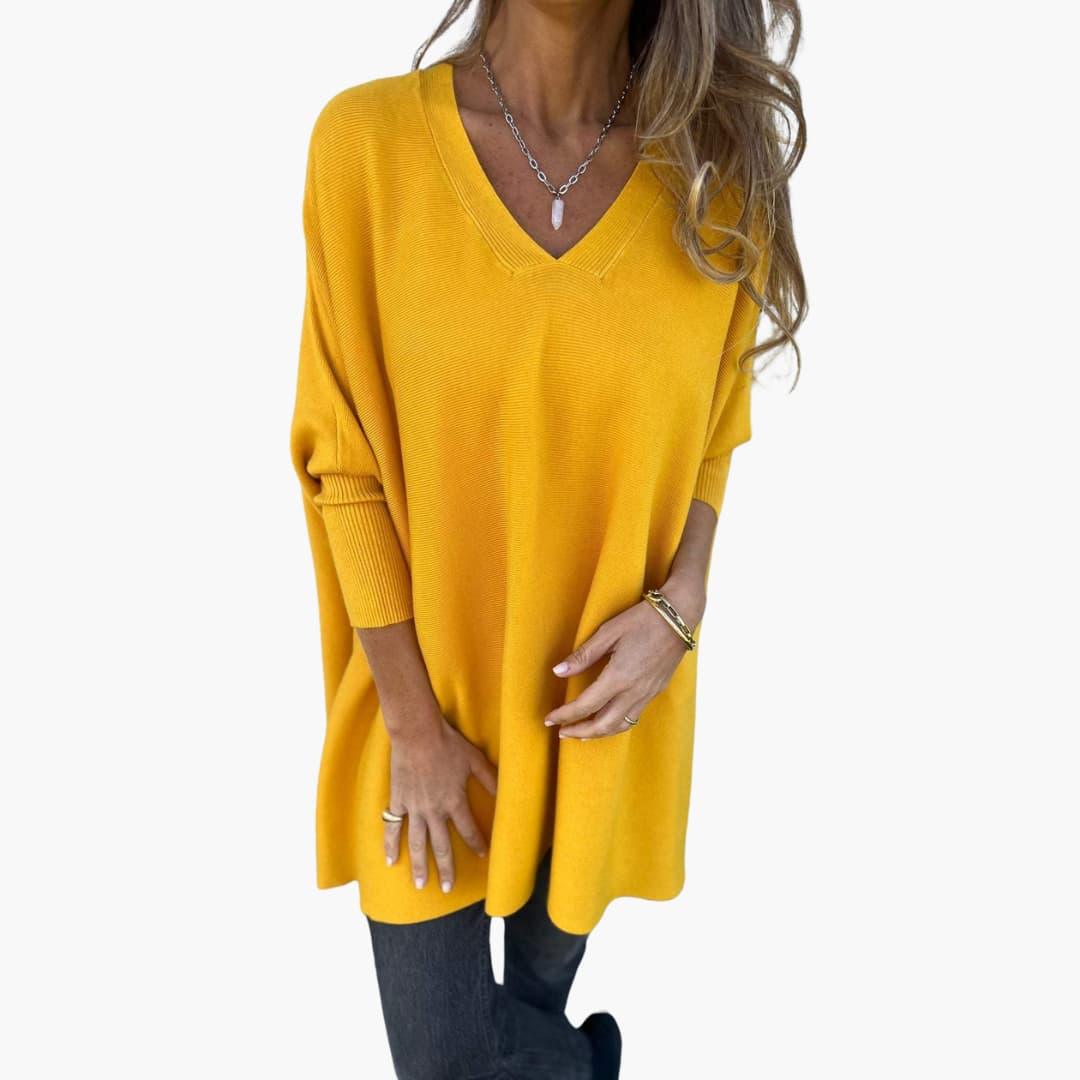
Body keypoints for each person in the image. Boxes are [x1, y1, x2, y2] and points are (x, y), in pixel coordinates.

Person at [289, 1, 806, 1075]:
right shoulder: (368, 146)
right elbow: (342, 463)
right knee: (448, 1063)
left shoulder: (715, 178)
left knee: (515, 1025)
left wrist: (683, 605)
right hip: (417, 711)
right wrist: (414, 731)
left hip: (596, 711)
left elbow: (715, 429)